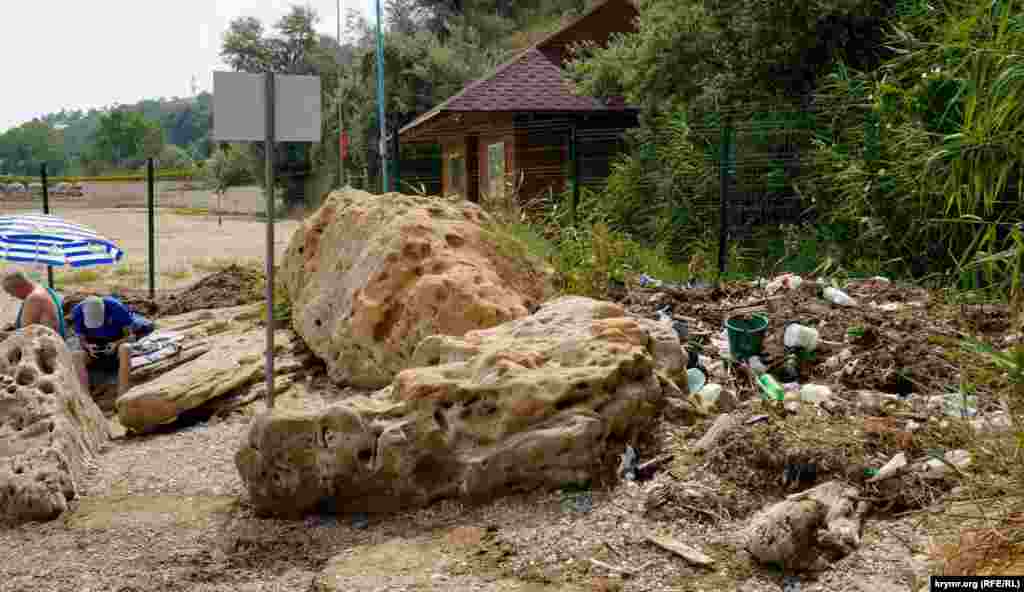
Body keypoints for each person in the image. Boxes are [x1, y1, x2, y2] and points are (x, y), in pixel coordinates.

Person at [71, 295, 155, 396]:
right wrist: (88, 347)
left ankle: (122, 395)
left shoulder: (116, 307)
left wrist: (116, 344)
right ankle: (85, 398)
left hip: (116, 344)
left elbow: (130, 336)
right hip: (94, 350)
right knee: (76, 355)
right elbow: (81, 340)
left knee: (126, 348)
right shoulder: (77, 312)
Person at [2, 271, 66, 339]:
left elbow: (23, 336)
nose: (12, 296)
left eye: (11, 292)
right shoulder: (42, 288)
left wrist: (2, 334)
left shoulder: (34, 298)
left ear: (20, 287)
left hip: (46, 345)